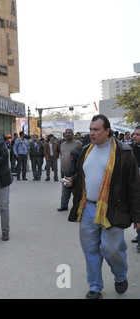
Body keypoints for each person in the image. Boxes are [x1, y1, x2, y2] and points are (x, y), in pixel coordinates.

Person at [64, 115, 140, 299]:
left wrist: (137, 217)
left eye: (96, 129)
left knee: (111, 249)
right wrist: (72, 181)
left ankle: (120, 275)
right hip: (88, 208)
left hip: (113, 209)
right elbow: (82, 175)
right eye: (90, 129)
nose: (91, 133)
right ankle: (95, 287)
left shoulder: (123, 152)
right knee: (90, 250)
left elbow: (133, 186)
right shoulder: (86, 150)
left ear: (107, 131)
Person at [57, 129, 82, 212]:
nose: (68, 134)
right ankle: (64, 205)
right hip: (64, 169)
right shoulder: (62, 144)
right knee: (65, 188)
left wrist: (75, 157)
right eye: (66, 133)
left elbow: (82, 156)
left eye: (69, 133)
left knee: (75, 189)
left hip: (73, 171)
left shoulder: (78, 144)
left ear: (72, 134)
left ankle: (77, 206)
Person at [131, 126, 140, 251]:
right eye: (134, 134)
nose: (134, 136)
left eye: (137, 134)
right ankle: (138, 236)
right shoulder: (132, 150)